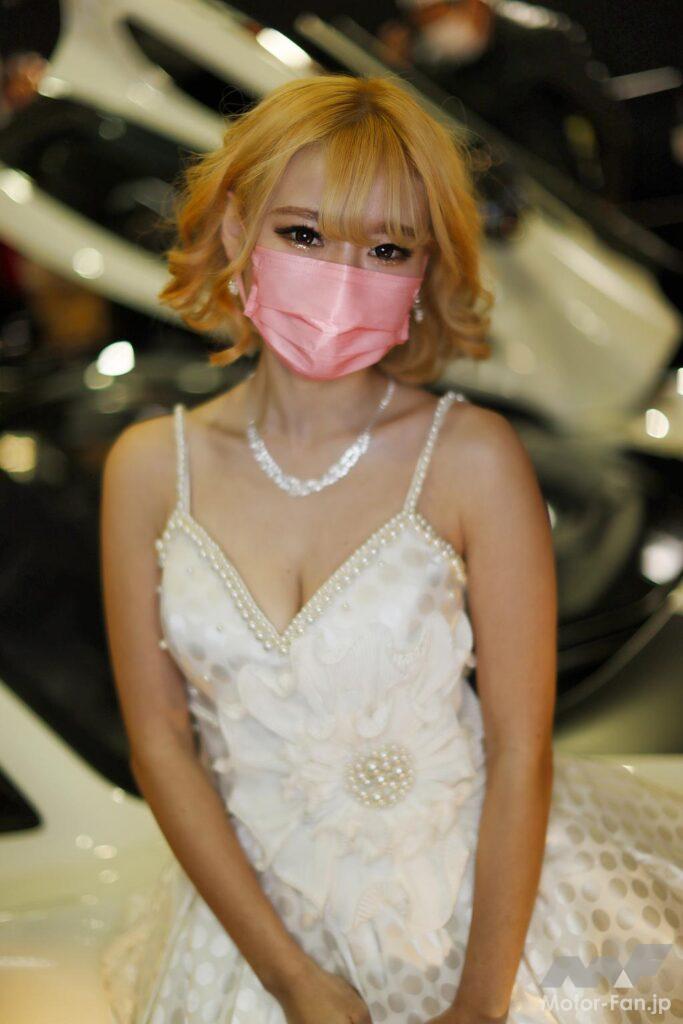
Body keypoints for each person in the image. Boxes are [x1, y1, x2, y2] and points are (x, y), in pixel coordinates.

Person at [98, 74, 682, 1024]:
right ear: (237, 225)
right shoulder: (147, 470)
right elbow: (161, 743)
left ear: (422, 267)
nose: (341, 274)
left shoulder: (473, 459)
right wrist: (292, 981)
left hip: (475, 921)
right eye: (303, 234)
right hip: (249, 942)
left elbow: (519, 748)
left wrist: (479, 1004)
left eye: (384, 247)